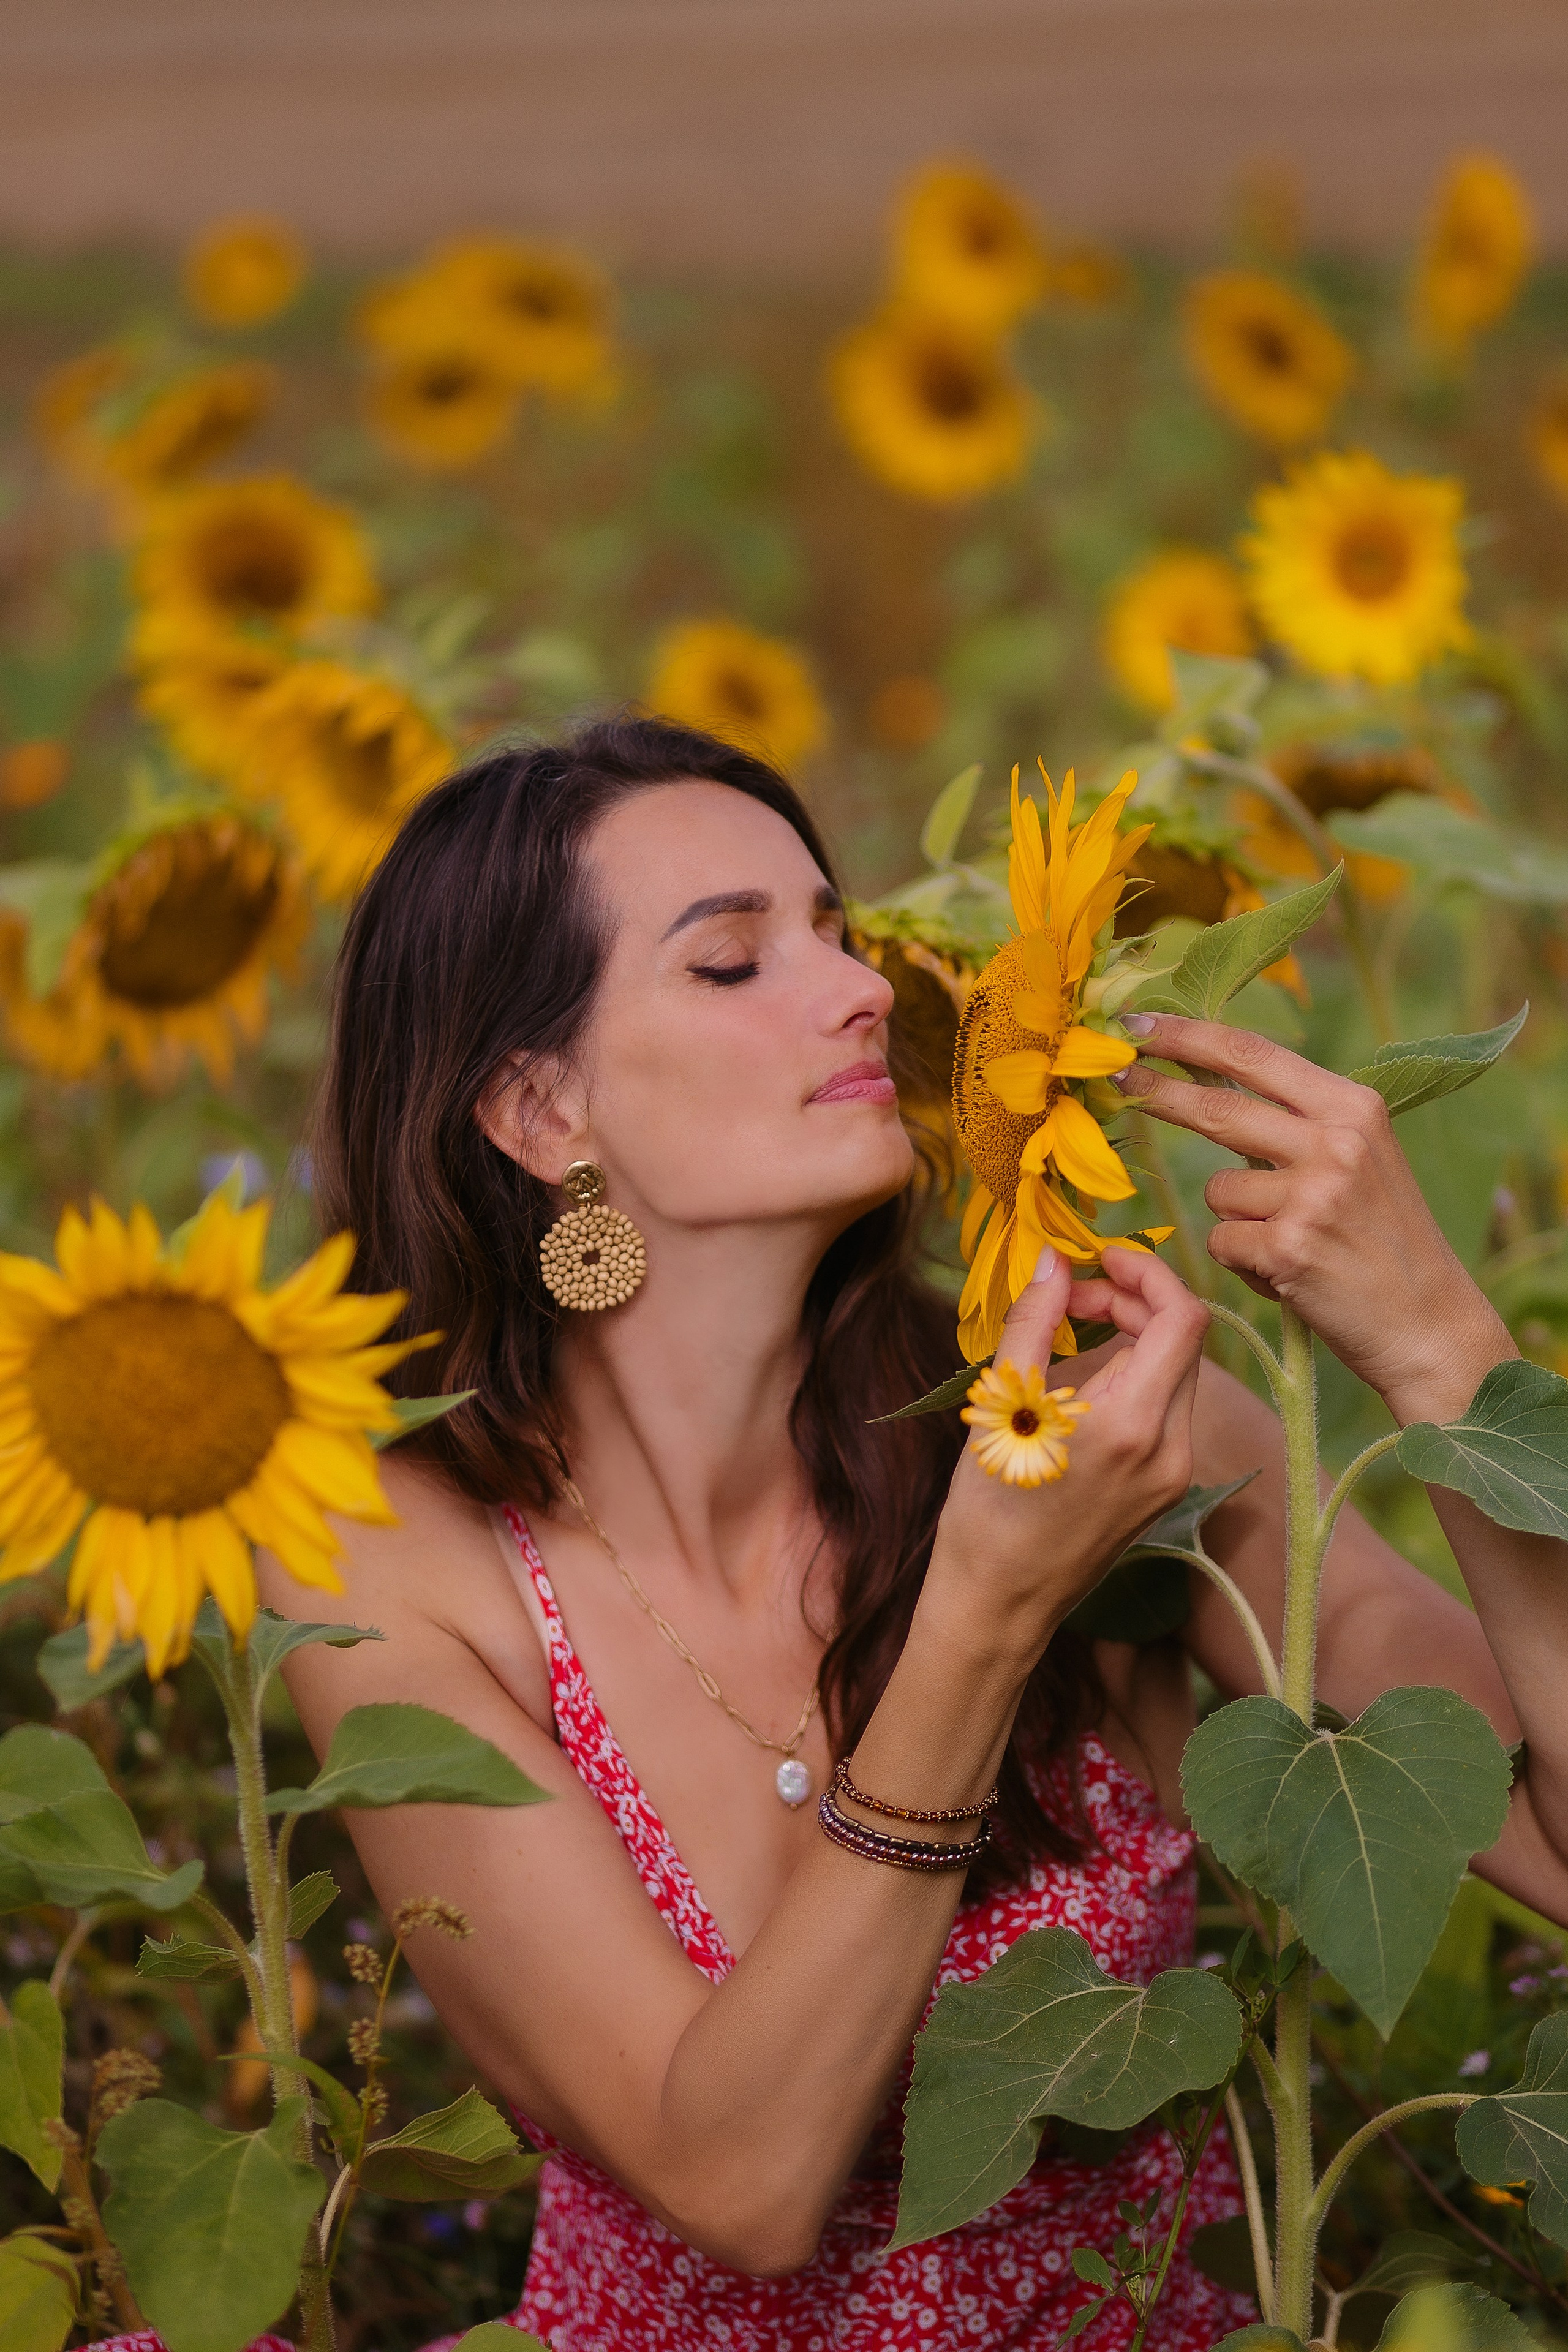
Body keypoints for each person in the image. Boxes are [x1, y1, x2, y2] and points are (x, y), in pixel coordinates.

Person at [254, 717, 1568, 2352]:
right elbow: (737, 2181)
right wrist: (984, 1615)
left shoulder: (1114, 1435)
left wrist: (1447, 1354)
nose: (867, 987)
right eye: (734, 962)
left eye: (837, 931)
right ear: (538, 1111)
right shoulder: (390, 1559)